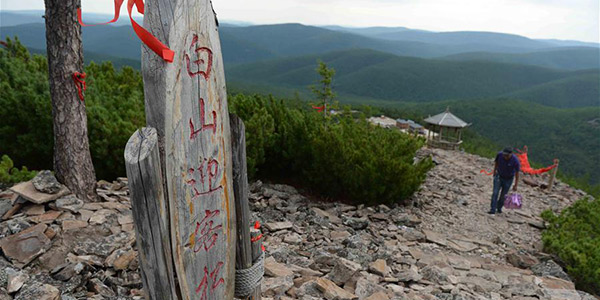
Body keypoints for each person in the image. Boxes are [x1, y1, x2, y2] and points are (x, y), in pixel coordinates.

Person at [489, 147, 520, 215]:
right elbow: (496, 162)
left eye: (507, 155)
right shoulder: (499, 155)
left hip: (508, 179)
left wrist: (516, 185)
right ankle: (492, 209)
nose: (505, 157)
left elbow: (517, 173)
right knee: (495, 193)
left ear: (511, 154)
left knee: (503, 194)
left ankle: (499, 207)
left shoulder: (515, 161)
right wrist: (494, 171)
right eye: (504, 155)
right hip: (499, 176)